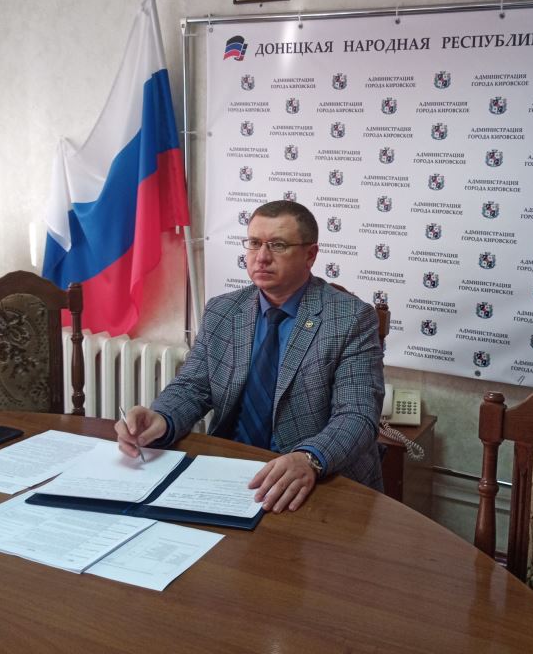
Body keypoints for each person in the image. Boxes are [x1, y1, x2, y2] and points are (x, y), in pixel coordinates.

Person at [117, 200, 384, 513]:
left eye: (278, 245)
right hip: (231, 473)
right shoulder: (223, 310)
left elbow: (357, 415)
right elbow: (193, 387)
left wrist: (310, 458)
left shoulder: (351, 319)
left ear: (310, 255)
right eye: (255, 243)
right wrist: (162, 417)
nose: (262, 257)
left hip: (312, 479)